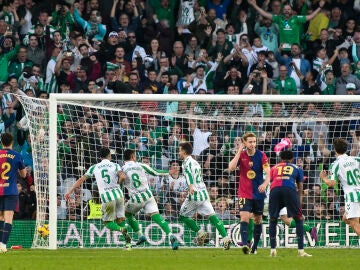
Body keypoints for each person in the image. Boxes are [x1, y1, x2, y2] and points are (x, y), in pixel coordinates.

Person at [64, 147, 132, 249]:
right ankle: (128, 244)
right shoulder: (115, 165)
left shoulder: (94, 167)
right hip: (119, 195)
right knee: (120, 220)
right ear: (110, 155)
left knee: (108, 223)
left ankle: (122, 230)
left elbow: (81, 179)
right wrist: (117, 184)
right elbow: (123, 177)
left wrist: (70, 191)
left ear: (100, 157)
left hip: (107, 197)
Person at [120, 149, 179, 250]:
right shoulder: (140, 165)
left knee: (127, 214)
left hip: (136, 198)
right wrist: (168, 172)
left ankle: (140, 235)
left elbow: (120, 183)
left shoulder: (122, 169)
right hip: (148, 195)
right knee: (156, 216)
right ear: (133, 156)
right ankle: (170, 235)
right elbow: (155, 172)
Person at [178, 142, 231, 250]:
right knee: (213, 217)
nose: (179, 152)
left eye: (179, 150)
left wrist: (191, 187)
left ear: (184, 151)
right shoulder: (196, 162)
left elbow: (188, 175)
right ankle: (226, 239)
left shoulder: (185, 163)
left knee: (182, 216)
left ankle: (201, 233)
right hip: (204, 193)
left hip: (195, 194)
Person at [228, 132, 270, 254]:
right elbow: (231, 168)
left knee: (257, 220)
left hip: (258, 193)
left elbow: (268, 172)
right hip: (244, 192)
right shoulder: (241, 155)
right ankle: (245, 244)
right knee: (244, 217)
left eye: (254, 141)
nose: (253, 144)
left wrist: (264, 184)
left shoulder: (261, 155)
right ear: (245, 142)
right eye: (250, 142)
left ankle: (254, 247)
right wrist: (239, 150)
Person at [269, 150, 312, 257]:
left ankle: (273, 250)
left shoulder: (274, 168)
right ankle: (301, 251)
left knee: (273, 219)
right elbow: (300, 187)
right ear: (292, 159)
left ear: (280, 159)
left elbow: (271, 181)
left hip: (274, 191)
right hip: (289, 190)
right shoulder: (297, 168)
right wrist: (299, 201)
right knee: (298, 219)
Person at [320, 139, 360, 237]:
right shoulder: (356, 159)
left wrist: (324, 178)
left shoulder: (335, 164)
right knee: (345, 218)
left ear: (334, 149)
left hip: (352, 196)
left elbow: (332, 183)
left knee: (354, 223)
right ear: (346, 149)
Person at [0, 132, 27, 253]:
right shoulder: (17, 155)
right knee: (8, 218)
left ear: (1, 142)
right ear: (12, 142)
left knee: (0, 217)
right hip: (10, 190)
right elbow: (24, 174)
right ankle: (3, 244)